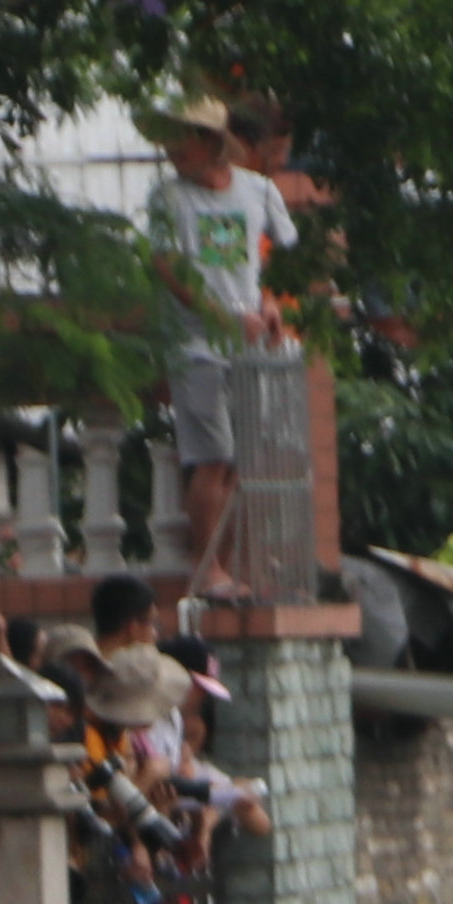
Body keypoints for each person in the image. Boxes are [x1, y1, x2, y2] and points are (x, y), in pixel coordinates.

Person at [147, 98, 300, 597]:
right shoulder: (169, 197)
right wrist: (219, 317)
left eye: (185, 137)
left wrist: (270, 302)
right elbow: (167, 266)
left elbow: (270, 258)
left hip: (250, 346)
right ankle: (205, 567)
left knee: (242, 460)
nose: (174, 149)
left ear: (214, 143)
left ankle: (226, 566)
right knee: (212, 455)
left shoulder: (257, 190)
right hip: (197, 345)